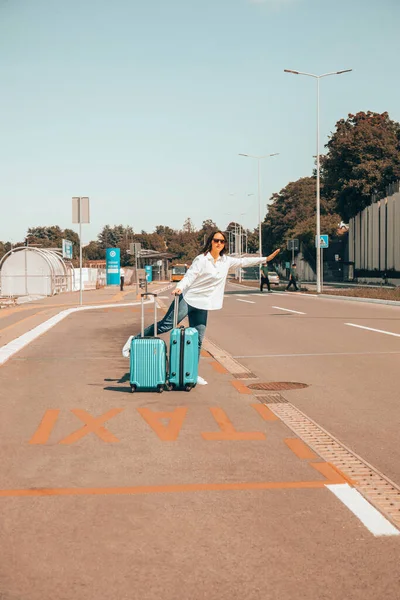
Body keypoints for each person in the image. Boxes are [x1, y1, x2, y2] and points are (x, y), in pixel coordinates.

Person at [125, 231, 280, 385]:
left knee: (198, 340)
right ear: (210, 242)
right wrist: (180, 287)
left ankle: (192, 374)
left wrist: (266, 259)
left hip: (203, 304)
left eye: (222, 241)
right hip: (188, 299)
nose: (219, 243)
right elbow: (190, 276)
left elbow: (243, 262)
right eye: (216, 240)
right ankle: (135, 339)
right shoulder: (201, 259)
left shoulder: (226, 261)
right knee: (166, 325)